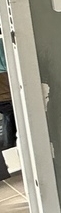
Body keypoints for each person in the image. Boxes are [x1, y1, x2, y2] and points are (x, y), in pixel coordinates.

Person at [0, 46, 14, 182]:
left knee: (8, 117)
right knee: (9, 117)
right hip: (7, 95)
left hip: (5, 97)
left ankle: (8, 145)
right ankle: (9, 145)